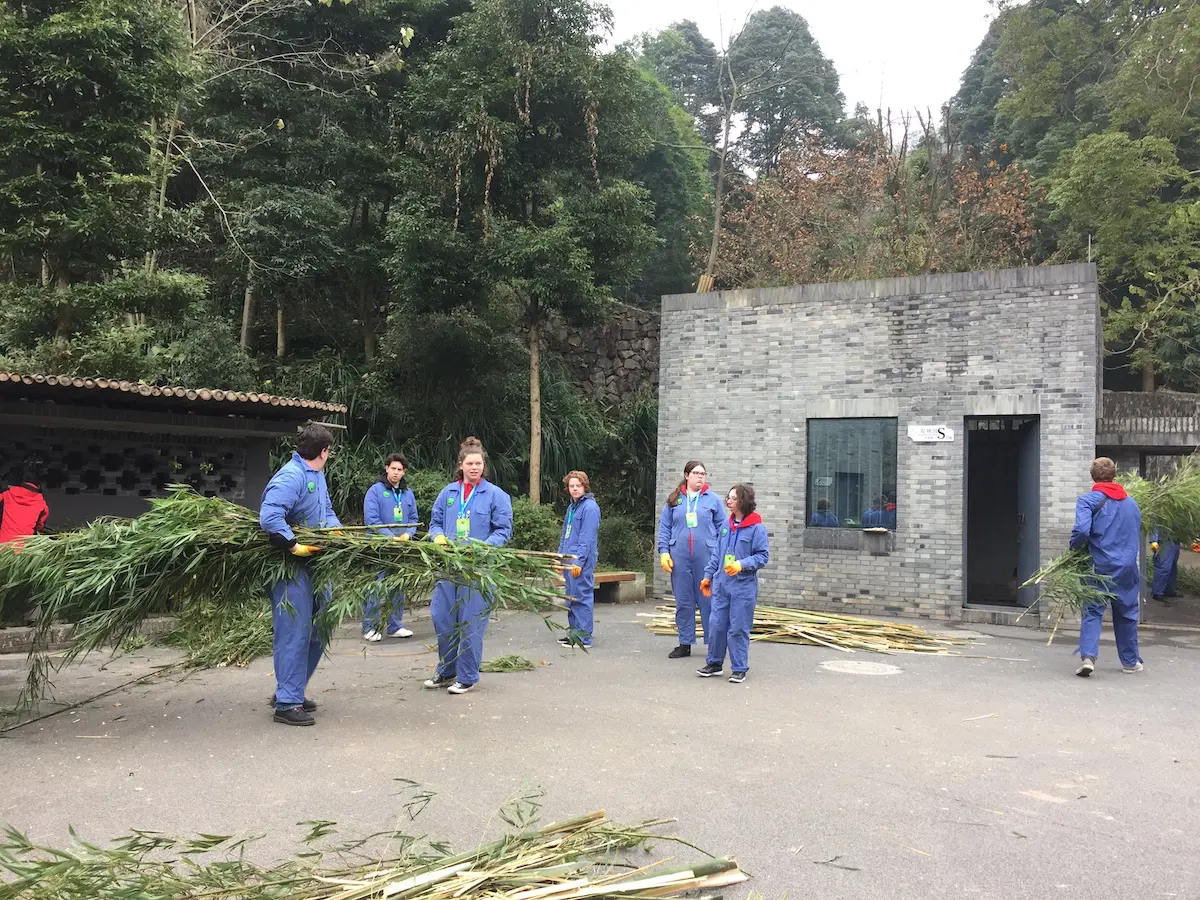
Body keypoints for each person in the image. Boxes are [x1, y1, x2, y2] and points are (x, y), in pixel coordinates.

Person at [259, 424, 341, 726]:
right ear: (324, 451)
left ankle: (292, 688)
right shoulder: (291, 476)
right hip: (290, 569)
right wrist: (294, 546)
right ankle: (287, 703)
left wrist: (338, 532)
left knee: (322, 625)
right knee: (295, 631)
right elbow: (269, 516)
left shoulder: (316, 476)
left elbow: (326, 511)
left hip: (317, 565)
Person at [424, 437, 513, 694]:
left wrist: (482, 548)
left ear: (484, 466)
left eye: (479, 463)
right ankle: (446, 670)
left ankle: (467, 676)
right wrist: (437, 537)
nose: (475, 467)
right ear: (461, 465)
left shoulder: (496, 495)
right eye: (470, 463)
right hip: (448, 568)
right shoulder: (448, 494)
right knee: (442, 619)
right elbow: (435, 523)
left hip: (478, 571)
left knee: (470, 623)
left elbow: (503, 531)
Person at [1071, 457, 1143, 677]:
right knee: (1127, 613)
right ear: (1114, 475)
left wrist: (1074, 548)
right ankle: (1130, 662)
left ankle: (1088, 658)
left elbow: (1082, 530)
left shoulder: (1087, 501)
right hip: (1126, 568)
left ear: (1093, 476)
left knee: (1092, 611)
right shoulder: (1132, 503)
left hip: (1098, 566)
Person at [697, 483, 769, 684]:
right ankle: (714, 663)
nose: (728, 501)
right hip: (722, 585)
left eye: (733, 498)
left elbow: (762, 557)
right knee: (717, 624)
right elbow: (717, 555)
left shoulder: (756, 528)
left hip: (742, 587)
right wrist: (707, 576)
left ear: (743, 501)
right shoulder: (725, 526)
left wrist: (741, 564)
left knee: (738, 627)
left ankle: (739, 668)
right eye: (728, 497)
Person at [657, 460, 725, 659]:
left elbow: (723, 528)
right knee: (683, 601)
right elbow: (665, 528)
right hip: (680, 556)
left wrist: (721, 553)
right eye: (696, 473)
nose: (700, 477)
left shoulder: (713, 500)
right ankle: (685, 643)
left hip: (706, 556)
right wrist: (664, 552)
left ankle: (713, 644)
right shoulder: (674, 500)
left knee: (708, 600)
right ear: (687, 475)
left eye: (703, 473)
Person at [362, 453, 418, 641]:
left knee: (397, 586)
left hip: (400, 548)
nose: (395, 472)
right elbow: (372, 520)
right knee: (375, 586)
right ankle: (370, 627)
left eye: (399, 469)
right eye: (393, 468)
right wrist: (390, 538)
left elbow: (414, 519)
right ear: (386, 468)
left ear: (404, 472)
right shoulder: (375, 491)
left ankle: (395, 626)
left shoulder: (408, 493)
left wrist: (408, 534)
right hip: (378, 547)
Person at [557, 470, 601, 647]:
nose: (574, 489)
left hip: (581, 559)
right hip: (569, 557)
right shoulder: (572, 507)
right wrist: (560, 558)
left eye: (578, 485)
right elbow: (565, 534)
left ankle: (584, 637)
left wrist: (579, 561)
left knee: (581, 597)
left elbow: (587, 538)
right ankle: (574, 633)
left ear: (585, 487)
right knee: (571, 597)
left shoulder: (590, 507)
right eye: (571, 486)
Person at [0, 466, 49, 547]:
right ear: (38, 486)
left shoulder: (6, 495)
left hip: (3, 546)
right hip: (24, 549)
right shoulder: (42, 505)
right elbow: (39, 526)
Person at [1150, 531, 1180, 605]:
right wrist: (1153, 540)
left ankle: (1169, 590)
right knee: (1163, 568)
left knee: (1173, 568)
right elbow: (1154, 524)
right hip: (1164, 541)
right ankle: (1157, 593)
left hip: (1175, 540)